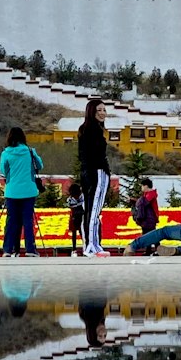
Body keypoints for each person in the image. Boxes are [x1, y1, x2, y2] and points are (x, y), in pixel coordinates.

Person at [0, 127, 44, 257]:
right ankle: (30, 249)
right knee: (27, 220)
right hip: (29, 191)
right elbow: (40, 166)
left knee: (11, 220)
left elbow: (3, 170)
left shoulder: (6, 153)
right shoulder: (30, 151)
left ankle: (8, 249)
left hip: (12, 191)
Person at [77, 98, 111, 257]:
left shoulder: (84, 129)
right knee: (94, 210)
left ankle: (90, 244)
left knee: (88, 209)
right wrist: (103, 169)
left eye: (104, 110)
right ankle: (92, 245)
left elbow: (81, 156)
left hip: (86, 172)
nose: (103, 113)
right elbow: (96, 155)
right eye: (99, 110)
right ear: (92, 111)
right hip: (97, 172)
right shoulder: (94, 131)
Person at [63, 178, 85, 255]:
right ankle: (74, 248)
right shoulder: (70, 200)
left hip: (80, 216)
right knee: (75, 233)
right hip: (74, 216)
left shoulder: (82, 197)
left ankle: (83, 247)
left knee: (82, 232)